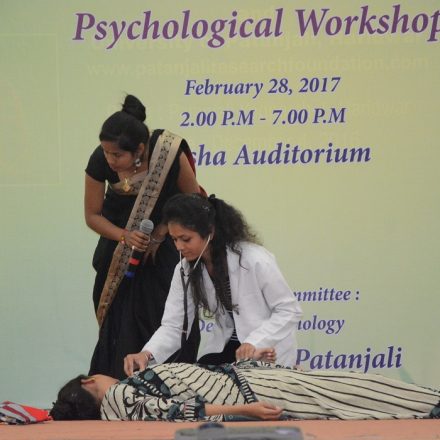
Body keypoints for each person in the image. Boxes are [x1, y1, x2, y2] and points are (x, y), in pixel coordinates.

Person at [85, 94, 201, 379]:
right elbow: (93, 216)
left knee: (166, 318)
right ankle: (118, 388)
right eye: (106, 152)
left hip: (165, 252)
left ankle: (175, 385)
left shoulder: (167, 152)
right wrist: (125, 236)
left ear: (139, 149)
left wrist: (162, 231)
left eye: (117, 155)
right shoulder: (100, 159)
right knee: (118, 327)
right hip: (118, 254)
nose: (110, 159)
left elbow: (194, 201)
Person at [123, 193, 303, 376]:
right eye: (174, 239)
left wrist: (254, 342)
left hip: (266, 350)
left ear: (210, 232)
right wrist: (147, 354)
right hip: (226, 350)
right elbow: (175, 326)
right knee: (197, 380)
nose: (179, 247)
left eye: (186, 239)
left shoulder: (254, 259)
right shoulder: (185, 269)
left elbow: (289, 310)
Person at [50, 359, 440, 422]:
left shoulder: (121, 401)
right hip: (253, 392)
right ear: (88, 382)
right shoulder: (118, 398)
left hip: (252, 382)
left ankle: (428, 403)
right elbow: (177, 411)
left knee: (350, 390)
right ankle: (430, 404)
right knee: (354, 391)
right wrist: (246, 411)